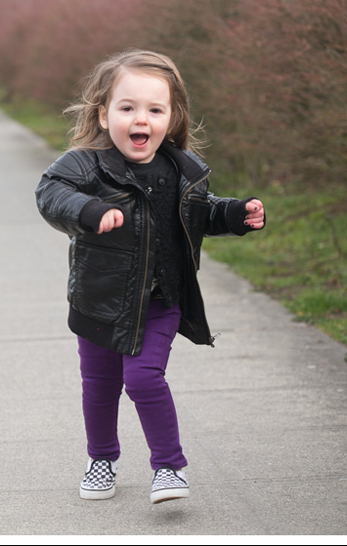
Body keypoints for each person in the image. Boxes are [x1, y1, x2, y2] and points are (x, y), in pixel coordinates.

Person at [34, 49, 266, 504]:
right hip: (99, 300)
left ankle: (168, 467)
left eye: (155, 110)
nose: (141, 119)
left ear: (171, 117)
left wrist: (234, 215)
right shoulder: (86, 164)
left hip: (161, 299)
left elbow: (200, 211)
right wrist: (88, 210)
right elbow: (50, 192)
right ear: (104, 115)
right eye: (127, 108)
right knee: (100, 386)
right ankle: (101, 459)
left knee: (143, 379)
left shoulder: (181, 169)